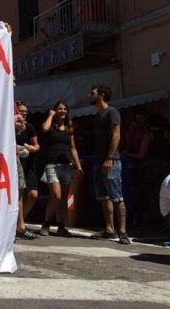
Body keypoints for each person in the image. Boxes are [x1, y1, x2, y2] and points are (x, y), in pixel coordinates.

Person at [89, 84, 130, 244]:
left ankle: (123, 231)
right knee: (103, 196)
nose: (90, 95)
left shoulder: (112, 112)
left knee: (116, 196)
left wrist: (109, 157)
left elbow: (116, 135)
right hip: (98, 160)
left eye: (93, 93)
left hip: (110, 160)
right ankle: (109, 229)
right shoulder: (97, 115)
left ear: (101, 94)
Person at [38, 101, 83, 237]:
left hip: (66, 166)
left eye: (65, 109)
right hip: (52, 164)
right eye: (59, 109)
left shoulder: (69, 129)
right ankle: (46, 223)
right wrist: (50, 116)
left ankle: (61, 226)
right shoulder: (50, 126)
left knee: (64, 198)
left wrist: (78, 166)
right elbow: (44, 129)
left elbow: (73, 148)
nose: (62, 111)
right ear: (55, 111)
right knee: (56, 196)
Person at [15, 101, 41, 231]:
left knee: (33, 194)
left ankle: (19, 221)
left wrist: (29, 148)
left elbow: (37, 146)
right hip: (15, 162)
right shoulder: (11, 127)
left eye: (25, 111)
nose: (24, 113)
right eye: (21, 111)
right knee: (19, 193)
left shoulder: (30, 127)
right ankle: (20, 225)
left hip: (28, 163)